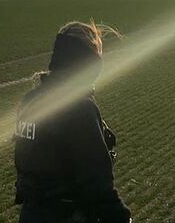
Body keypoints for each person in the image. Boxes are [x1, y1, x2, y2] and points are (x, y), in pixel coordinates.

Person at [13, 20, 131, 223]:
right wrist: (120, 217)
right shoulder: (80, 109)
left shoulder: (30, 100)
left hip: (31, 214)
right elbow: (96, 182)